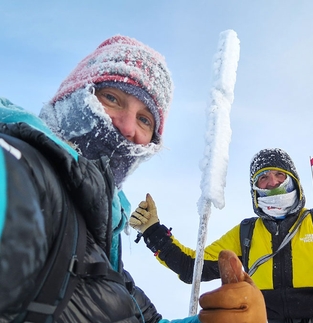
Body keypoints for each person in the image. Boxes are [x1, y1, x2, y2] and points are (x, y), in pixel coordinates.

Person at [0, 35, 266, 323]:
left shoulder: (102, 241)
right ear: (72, 95)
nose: (127, 127)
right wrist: (154, 232)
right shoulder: (24, 174)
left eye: (144, 120)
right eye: (112, 98)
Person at [130, 147, 313, 323]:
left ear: (295, 182)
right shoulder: (246, 233)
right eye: (263, 178)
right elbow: (190, 267)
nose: (272, 183)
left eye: (279, 176)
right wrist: (152, 231)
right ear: (254, 190)